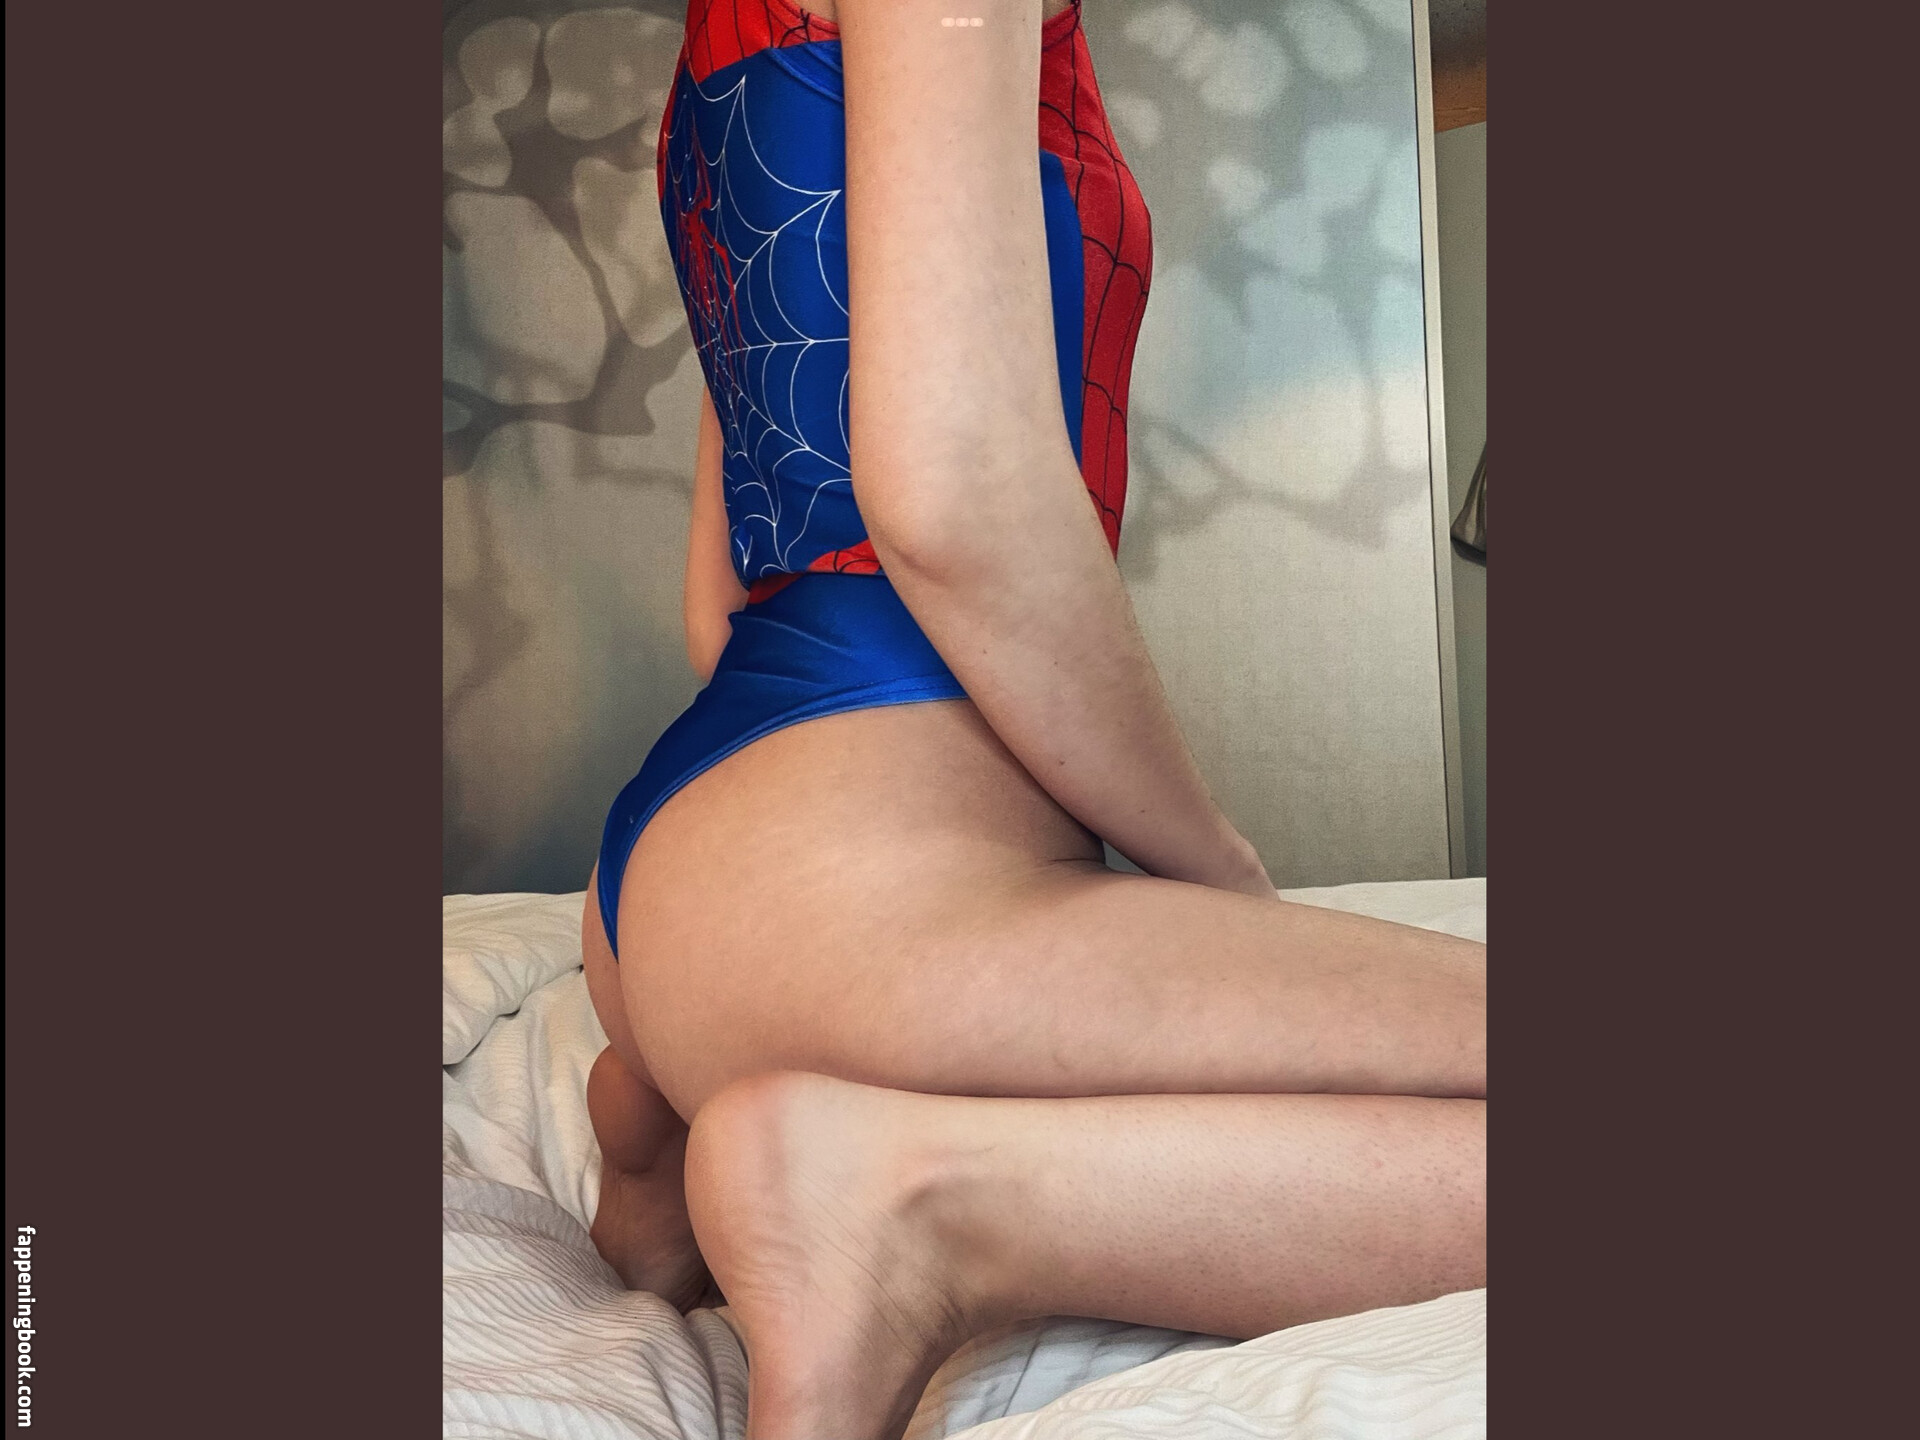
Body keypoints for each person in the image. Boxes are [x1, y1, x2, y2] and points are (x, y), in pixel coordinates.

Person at [579, 3, 1485, 1437]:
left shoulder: (710, 63)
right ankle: (919, 1214)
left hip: (695, 867)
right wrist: (1216, 866)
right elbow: (948, 495)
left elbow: (723, 605)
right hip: (854, 884)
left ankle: (661, 1109)